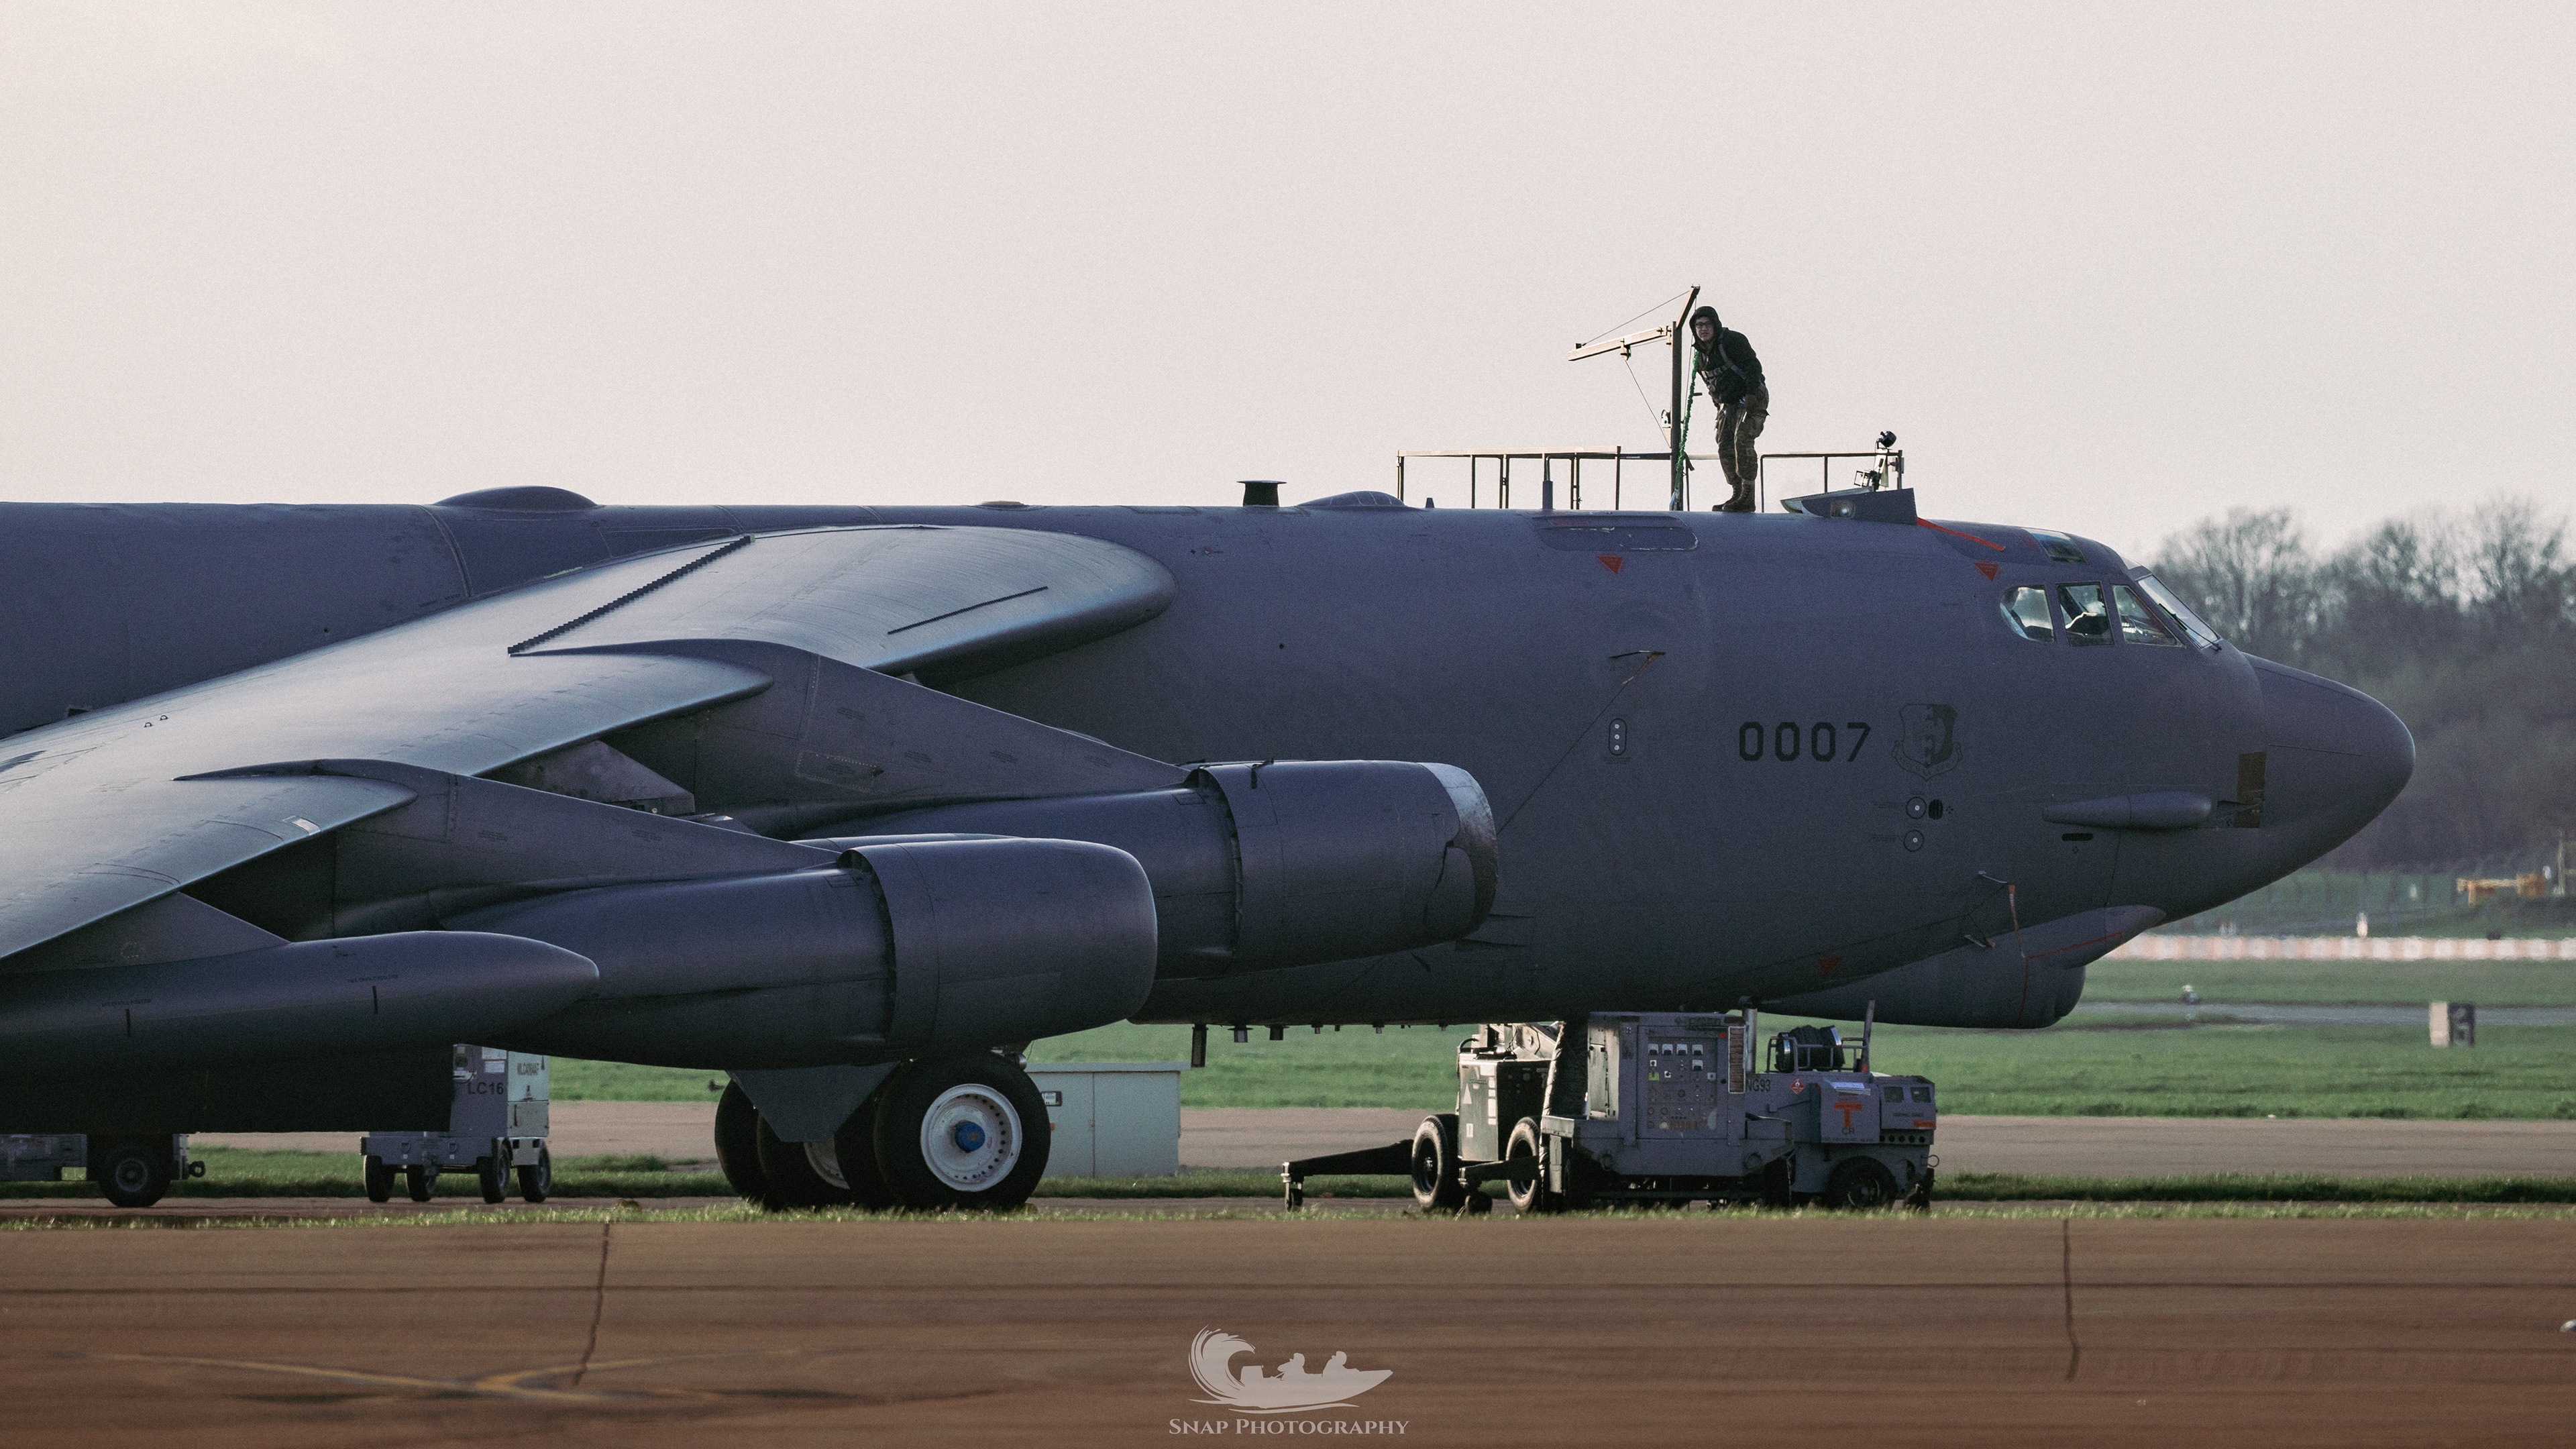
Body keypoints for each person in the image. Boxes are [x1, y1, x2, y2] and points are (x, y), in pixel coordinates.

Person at [1689, 305, 1766, 513]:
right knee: (1724, 445)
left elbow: (1753, 367)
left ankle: (1747, 496)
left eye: (1707, 324)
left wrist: (1751, 395)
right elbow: (1711, 385)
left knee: (1742, 440)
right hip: (1727, 404)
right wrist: (1719, 405)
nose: (1703, 329)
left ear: (1715, 325)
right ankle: (1737, 491)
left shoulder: (1733, 341)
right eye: (1699, 325)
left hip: (1750, 398)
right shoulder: (1700, 357)